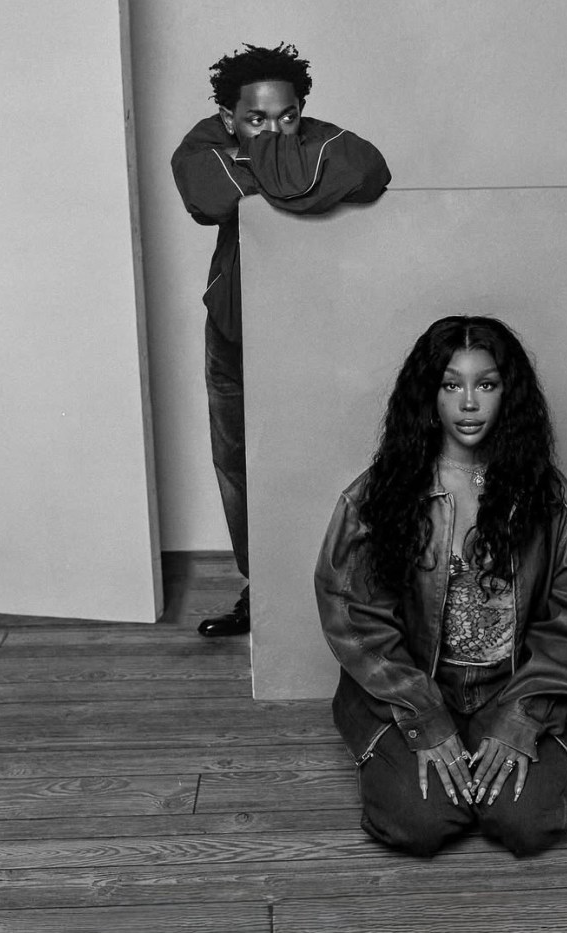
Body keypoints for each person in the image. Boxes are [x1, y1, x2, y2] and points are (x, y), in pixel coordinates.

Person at [315, 316, 567, 857]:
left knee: (526, 823)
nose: (470, 403)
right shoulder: (378, 496)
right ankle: (441, 769)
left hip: (516, 684)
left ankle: (498, 763)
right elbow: (353, 615)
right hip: (417, 687)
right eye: (451, 385)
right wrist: (425, 716)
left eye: (487, 384)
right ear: (428, 395)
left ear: (508, 393)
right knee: (419, 822)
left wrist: (523, 715)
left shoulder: (548, 498)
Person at [172, 42, 391, 637]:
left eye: (288, 116)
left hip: (312, 329)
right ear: (226, 118)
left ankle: (339, 596)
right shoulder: (202, 142)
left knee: (324, 459)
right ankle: (265, 592)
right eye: (256, 119)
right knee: (238, 465)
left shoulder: (329, 137)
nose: (275, 129)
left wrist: (254, 161)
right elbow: (208, 194)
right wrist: (290, 166)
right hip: (235, 331)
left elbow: (370, 171)